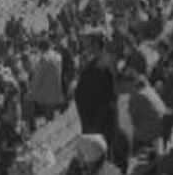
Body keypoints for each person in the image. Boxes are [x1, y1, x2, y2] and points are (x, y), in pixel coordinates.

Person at [74, 30, 118, 161]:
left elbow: (109, 98)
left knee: (104, 156)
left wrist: (95, 124)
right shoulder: (92, 64)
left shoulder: (105, 65)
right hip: (91, 119)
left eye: (90, 44)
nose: (87, 47)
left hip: (101, 122)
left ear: (97, 45)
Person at [29, 39, 64, 130]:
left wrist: (32, 92)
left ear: (41, 48)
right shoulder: (58, 56)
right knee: (53, 113)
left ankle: (50, 131)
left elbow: (38, 78)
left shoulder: (44, 58)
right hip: (58, 88)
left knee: (49, 116)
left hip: (47, 90)